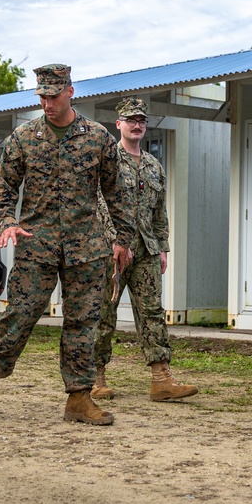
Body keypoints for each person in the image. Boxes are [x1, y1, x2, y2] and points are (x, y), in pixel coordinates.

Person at [0, 63, 133, 426]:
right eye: (42, 96)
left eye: (53, 96)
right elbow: (4, 187)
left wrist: (123, 239)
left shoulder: (97, 137)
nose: (47, 103)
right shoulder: (24, 138)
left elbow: (115, 191)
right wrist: (7, 222)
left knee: (83, 323)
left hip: (87, 247)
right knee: (18, 318)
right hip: (36, 245)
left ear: (70, 91)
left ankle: (79, 398)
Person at [91, 98, 197, 402]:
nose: (137, 126)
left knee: (151, 311)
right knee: (104, 313)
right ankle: (96, 377)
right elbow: (100, 204)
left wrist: (162, 246)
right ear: (119, 124)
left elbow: (159, 210)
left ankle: (161, 378)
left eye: (142, 121)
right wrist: (114, 241)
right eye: (131, 120)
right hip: (112, 251)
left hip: (147, 250)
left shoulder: (153, 165)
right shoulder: (108, 160)